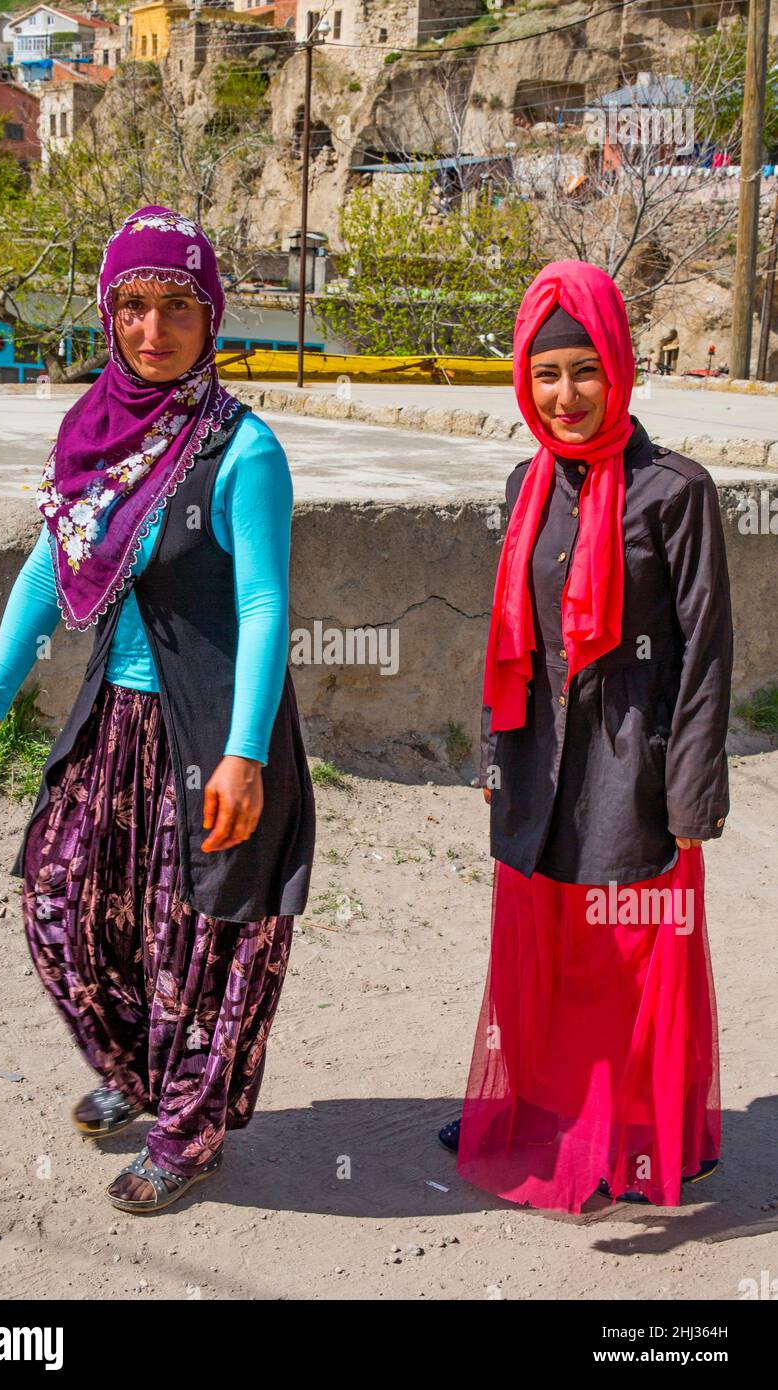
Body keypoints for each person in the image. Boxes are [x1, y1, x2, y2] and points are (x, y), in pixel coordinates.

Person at [0, 204, 316, 1215]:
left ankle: (188, 1129)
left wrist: (245, 755)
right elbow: (40, 573)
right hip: (118, 722)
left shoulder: (244, 452)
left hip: (215, 736)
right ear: (109, 316)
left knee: (197, 936)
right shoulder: (97, 440)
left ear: (212, 317)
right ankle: (137, 1068)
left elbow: (263, 603)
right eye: (134, 307)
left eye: (178, 307)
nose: (154, 330)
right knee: (64, 899)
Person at [437, 259, 730, 1213]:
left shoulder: (674, 492)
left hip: (633, 765)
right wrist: (493, 755)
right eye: (546, 374)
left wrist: (689, 792)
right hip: (538, 756)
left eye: (583, 372)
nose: (564, 396)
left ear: (619, 369)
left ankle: (635, 1136)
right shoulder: (528, 484)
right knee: (550, 948)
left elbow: (705, 654)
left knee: (630, 951)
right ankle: (545, 1114)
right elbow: (504, 637)